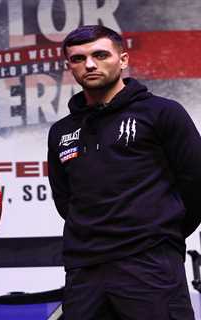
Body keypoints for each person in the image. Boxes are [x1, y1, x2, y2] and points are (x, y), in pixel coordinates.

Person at [47, 25, 201, 319]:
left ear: (123, 59)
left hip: (149, 263)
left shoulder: (162, 112)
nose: (89, 64)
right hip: (85, 269)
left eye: (100, 54)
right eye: (78, 59)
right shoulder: (61, 131)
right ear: (69, 67)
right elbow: (65, 199)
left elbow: (196, 183)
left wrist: (161, 233)